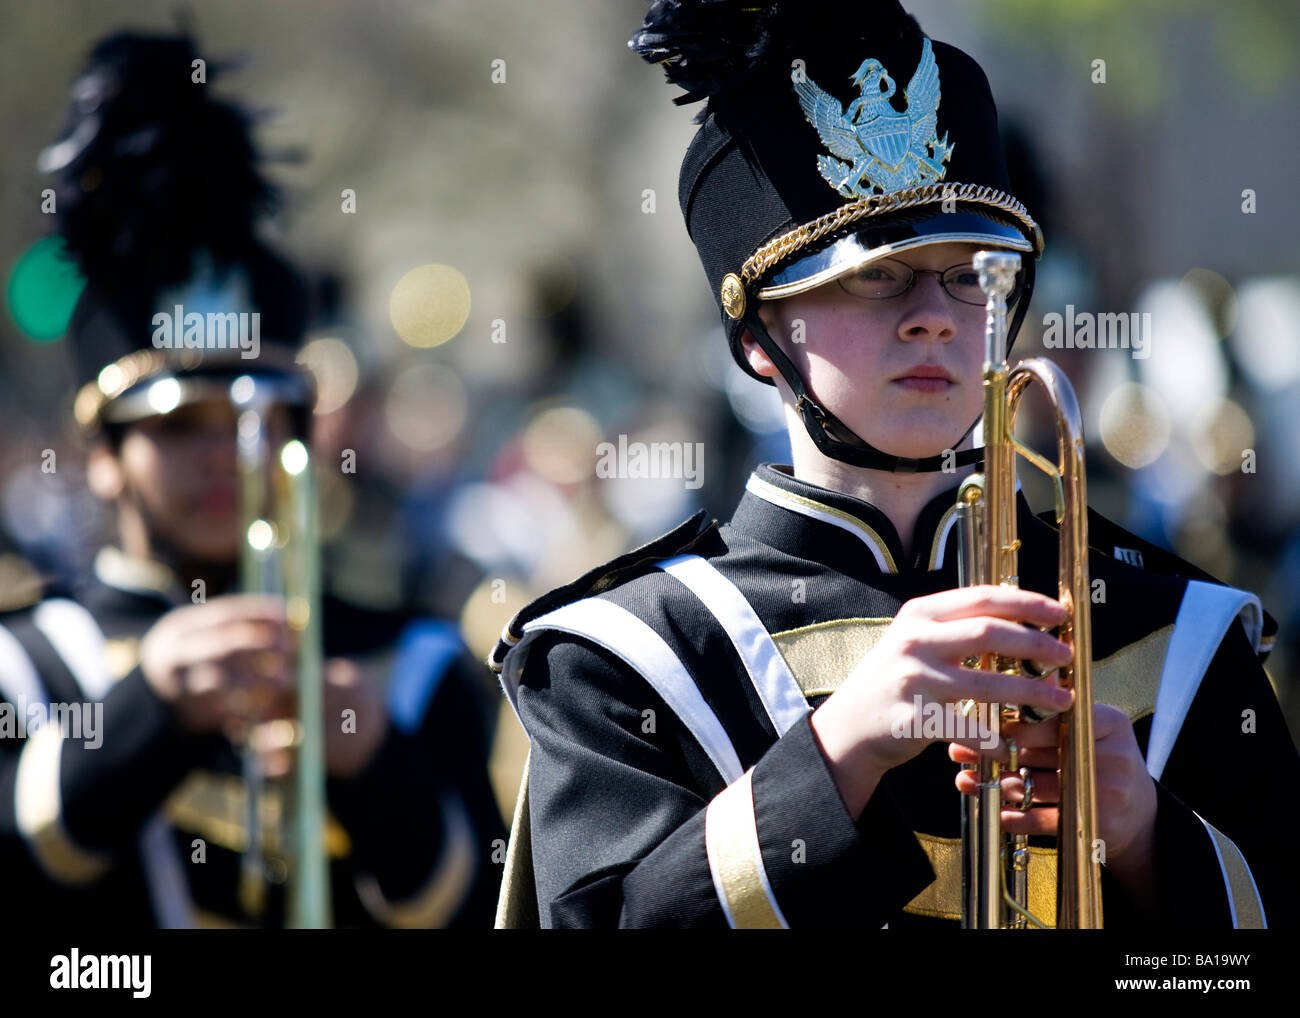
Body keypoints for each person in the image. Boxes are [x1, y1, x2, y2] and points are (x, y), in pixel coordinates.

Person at [489, 1, 1298, 928]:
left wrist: (1154, 840)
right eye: (875, 277)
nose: (937, 318)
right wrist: (834, 758)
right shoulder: (624, 658)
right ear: (759, 333)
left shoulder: (1176, 630)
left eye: (973, 275)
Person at [0, 30, 503, 928]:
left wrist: (377, 762)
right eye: (179, 428)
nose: (228, 457)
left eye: (257, 425)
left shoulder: (413, 664)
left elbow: (497, 907)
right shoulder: (27, 666)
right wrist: (145, 710)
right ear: (103, 459)